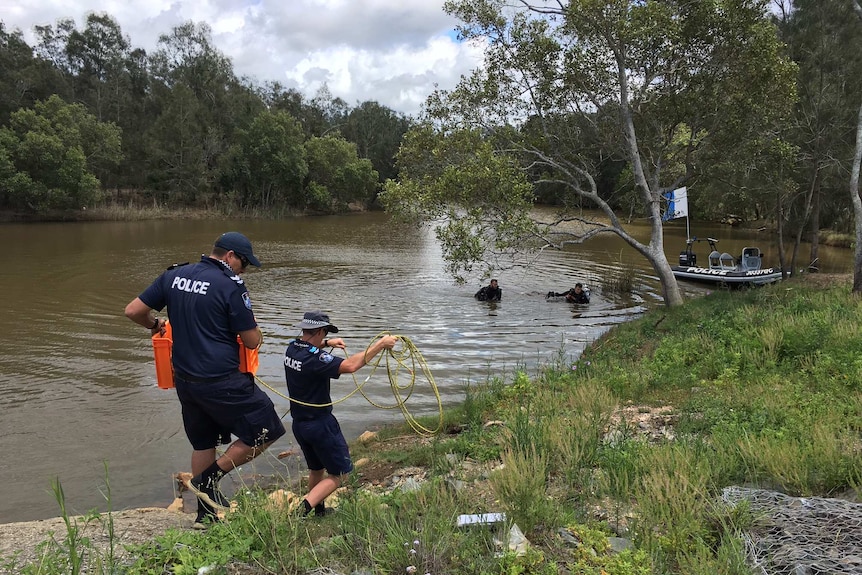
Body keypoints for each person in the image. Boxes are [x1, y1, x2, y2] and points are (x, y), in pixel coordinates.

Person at [124, 232, 286, 526]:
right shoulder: (231, 286)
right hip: (222, 380)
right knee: (268, 429)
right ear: (230, 257)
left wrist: (155, 323)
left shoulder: (175, 275)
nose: (244, 270)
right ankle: (209, 480)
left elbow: (133, 310)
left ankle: (205, 515)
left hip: (185, 380)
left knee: (203, 443)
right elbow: (251, 341)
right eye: (244, 263)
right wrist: (255, 328)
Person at [284, 311, 398, 517]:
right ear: (319, 330)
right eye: (325, 332)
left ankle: (319, 512)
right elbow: (351, 365)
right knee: (342, 474)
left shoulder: (292, 348)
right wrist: (380, 345)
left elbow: (311, 347)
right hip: (321, 424)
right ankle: (301, 511)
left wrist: (327, 343)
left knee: (317, 470)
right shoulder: (316, 359)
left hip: (300, 424)